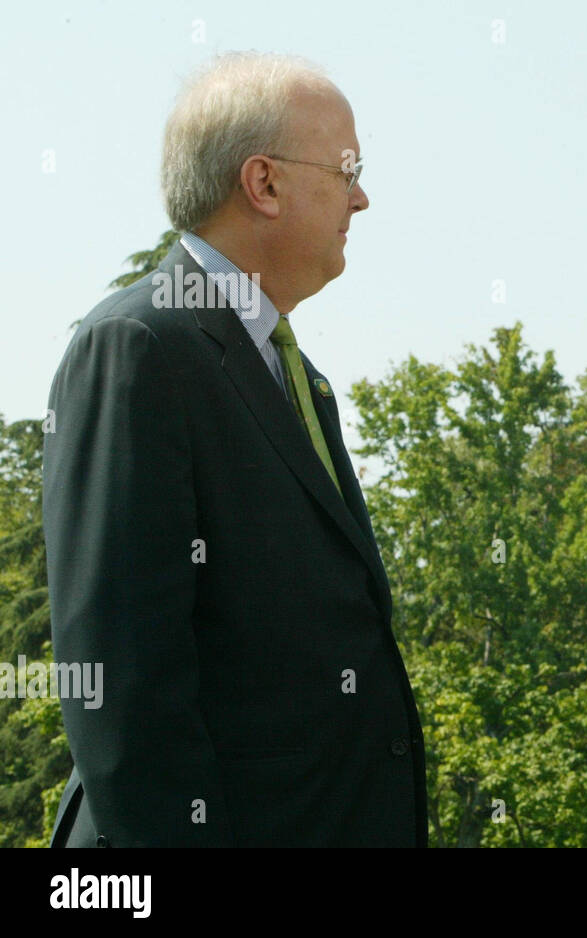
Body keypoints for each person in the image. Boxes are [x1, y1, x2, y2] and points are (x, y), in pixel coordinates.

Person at [43, 52, 426, 846]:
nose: (362, 196)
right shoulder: (139, 344)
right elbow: (123, 687)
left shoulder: (297, 377)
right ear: (265, 183)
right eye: (347, 169)